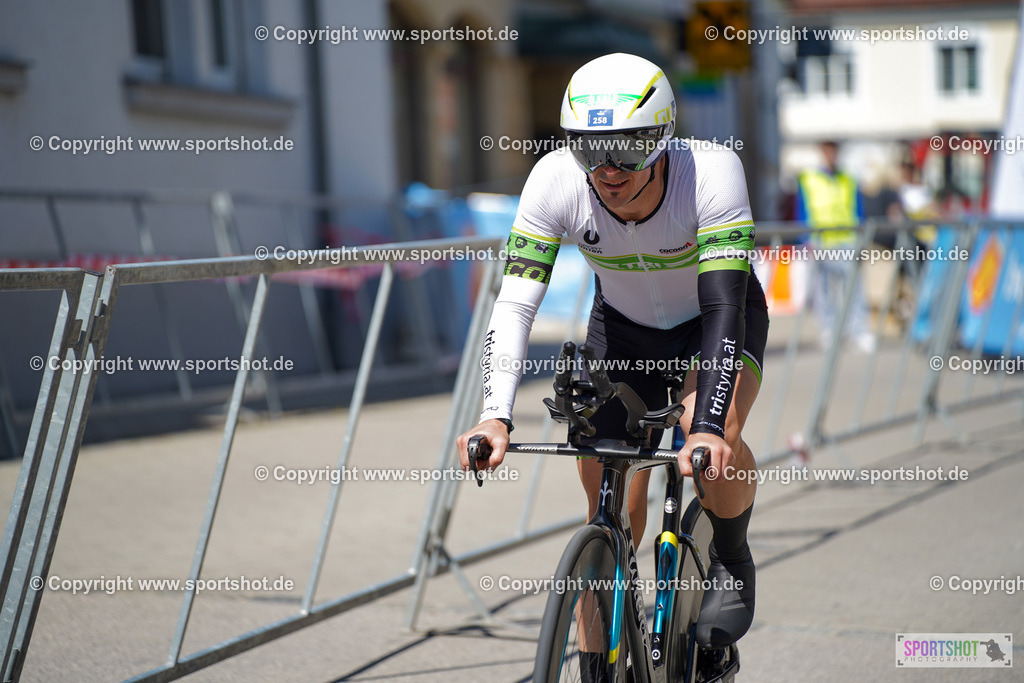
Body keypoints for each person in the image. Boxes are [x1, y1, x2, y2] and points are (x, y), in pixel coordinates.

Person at [456, 53, 769, 653]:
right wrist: (494, 414)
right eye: (588, 148)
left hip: (715, 320)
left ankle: (730, 551)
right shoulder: (554, 180)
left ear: (660, 138)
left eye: (627, 147)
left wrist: (703, 428)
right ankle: (605, 631)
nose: (607, 167)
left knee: (712, 431)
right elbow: (514, 305)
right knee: (606, 485)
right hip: (624, 330)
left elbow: (725, 307)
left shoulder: (711, 170)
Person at [795, 141, 875, 352]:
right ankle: (829, 330)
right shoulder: (808, 178)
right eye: (827, 150)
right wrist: (805, 239)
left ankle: (858, 330)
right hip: (819, 240)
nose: (831, 154)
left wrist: (861, 238)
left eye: (834, 150)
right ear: (822, 152)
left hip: (847, 239)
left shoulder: (848, 178)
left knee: (854, 288)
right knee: (823, 290)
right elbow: (801, 209)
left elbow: (858, 209)